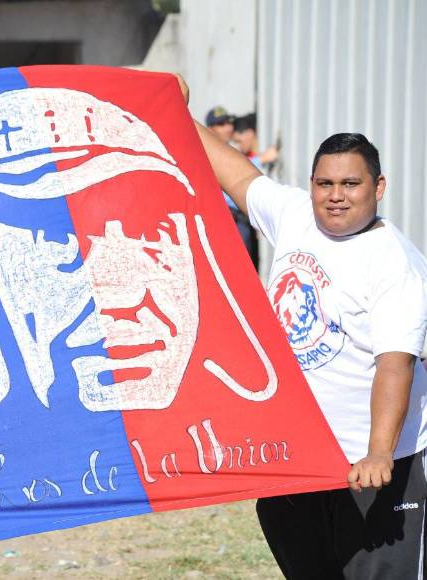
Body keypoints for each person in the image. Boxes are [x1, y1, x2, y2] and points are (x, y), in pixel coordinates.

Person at [180, 75, 427, 578]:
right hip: (296, 456)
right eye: (325, 183)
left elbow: (395, 365)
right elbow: (238, 177)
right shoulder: (296, 215)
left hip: (375, 468)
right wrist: (179, 114)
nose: (335, 196)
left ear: (377, 188)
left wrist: (379, 451)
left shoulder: (395, 263)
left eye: (350, 184)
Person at [206, 106, 260, 267]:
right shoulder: (208, 152)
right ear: (210, 129)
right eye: (221, 124)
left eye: (229, 123)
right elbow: (236, 174)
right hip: (225, 219)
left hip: (240, 220)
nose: (228, 127)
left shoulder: (233, 150)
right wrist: (262, 159)